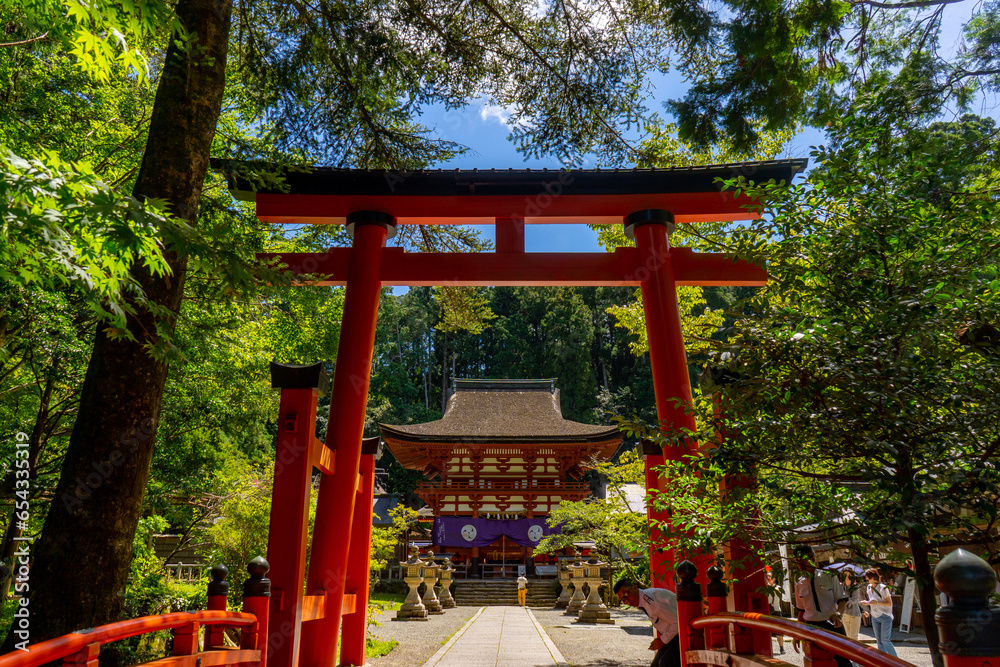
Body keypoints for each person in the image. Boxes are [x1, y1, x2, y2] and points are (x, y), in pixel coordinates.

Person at [791, 546, 851, 667]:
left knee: (843, 662)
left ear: (813, 559)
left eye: (803, 561)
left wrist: (838, 615)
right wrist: (796, 634)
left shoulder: (829, 576)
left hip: (832, 624)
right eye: (797, 562)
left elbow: (842, 601)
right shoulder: (799, 584)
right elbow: (802, 611)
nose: (800, 565)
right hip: (811, 627)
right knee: (816, 661)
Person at [614, 579, 680, 667]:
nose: (626, 601)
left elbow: (677, 621)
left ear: (634, 587)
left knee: (665, 663)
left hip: (681, 634)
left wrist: (662, 640)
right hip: (672, 636)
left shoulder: (651, 601)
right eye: (622, 599)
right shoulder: (643, 601)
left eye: (626, 594)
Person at [861, 568, 897, 656]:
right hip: (875, 616)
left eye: (868, 578)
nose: (866, 580)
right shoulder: (869, 588)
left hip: (885, 616)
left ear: (873, 577)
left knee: (885, 640)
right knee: (879, 641)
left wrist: (877, 602)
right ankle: (883, 661)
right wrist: (867, 606)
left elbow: (889, 603)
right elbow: (872, 601)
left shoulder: (883, 588)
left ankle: (896, 661)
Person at [766, 570, 786, 654]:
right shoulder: (765, 588)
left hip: (776, 610)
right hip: (767, 611)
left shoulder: (777, 587)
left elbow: (776, 591)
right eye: (766, 576)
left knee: (779, 630)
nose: (767, 578)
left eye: (769, 576)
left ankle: (781, 647)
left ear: (774, 579)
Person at [842, 570, 863, 640]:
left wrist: (845, 599)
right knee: (847, 638)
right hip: (845, 614)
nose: (847, 577)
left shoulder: (855, 587)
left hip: (854, 615)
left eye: (849, 575)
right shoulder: (841, 587)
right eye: (845, 575)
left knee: (853, 638)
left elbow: (855, 600)